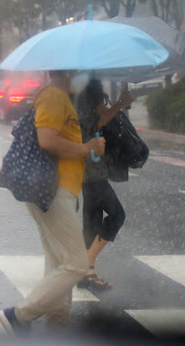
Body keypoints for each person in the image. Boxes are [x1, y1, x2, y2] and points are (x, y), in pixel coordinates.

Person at [0, 70, 106, 335]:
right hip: (51, 190)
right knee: (76, 265)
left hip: (62, 191)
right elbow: (47, 140)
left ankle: (57, 325)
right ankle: (19, 316)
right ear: (68, 70)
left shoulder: (63, 98)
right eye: (79, 69)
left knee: (59, 262)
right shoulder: (52, 96)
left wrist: (73, 193)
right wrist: (88, 148)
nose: (83, 75)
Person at [75, 79, 133, 291]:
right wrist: (118, 104)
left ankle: (86, 274)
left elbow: (101, 120)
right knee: (117, 215)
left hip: (91, 176)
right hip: (92, 177)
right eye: (102, 102)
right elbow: (96, 122)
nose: (105, 106)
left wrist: (119, 103)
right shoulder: (85, 110)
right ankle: (85, 267)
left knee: (91, 225)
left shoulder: (87, 106)